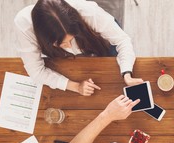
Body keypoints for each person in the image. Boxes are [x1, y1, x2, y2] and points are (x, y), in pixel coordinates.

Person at [14, 0, 143, 96]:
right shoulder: (24, 25)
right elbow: (36, 72)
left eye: (71, 39)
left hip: (100, 41)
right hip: (66, 63)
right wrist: (75, 86)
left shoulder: (88, 12)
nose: (69, 47)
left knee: (114, 79)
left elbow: (122, 40)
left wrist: (127, 73)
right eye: (62, 44)